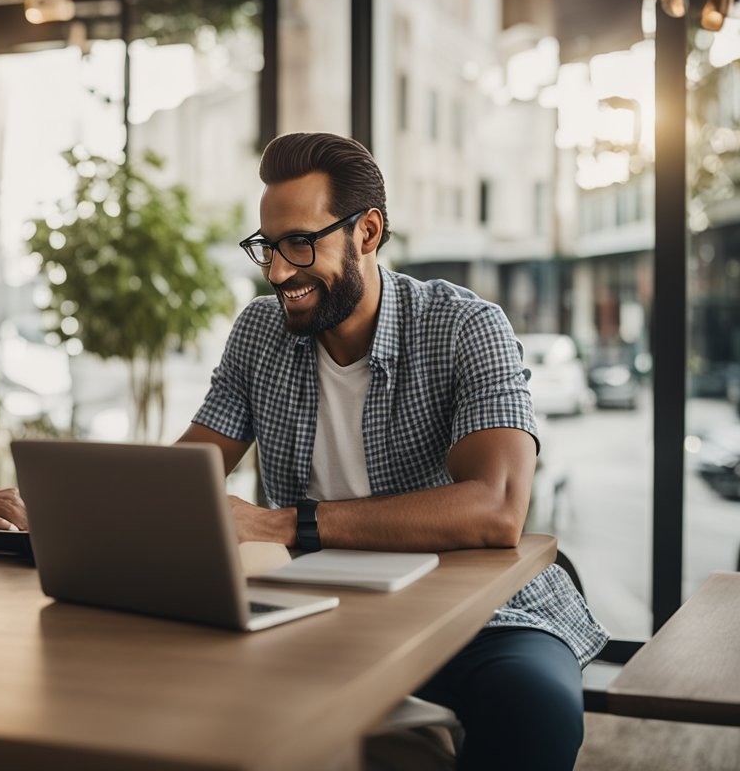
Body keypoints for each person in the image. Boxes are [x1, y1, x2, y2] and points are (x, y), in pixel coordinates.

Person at [175, 132, 608, 770]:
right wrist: (59, 508)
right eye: (267, 247)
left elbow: (495, 509)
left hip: (479, 614)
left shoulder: (466, 326)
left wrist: (282, 523)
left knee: (534, 703)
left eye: (299, 243)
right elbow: (185, 478)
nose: (276, 272)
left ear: (368, 232)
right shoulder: (259, 332)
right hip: (313, 606)